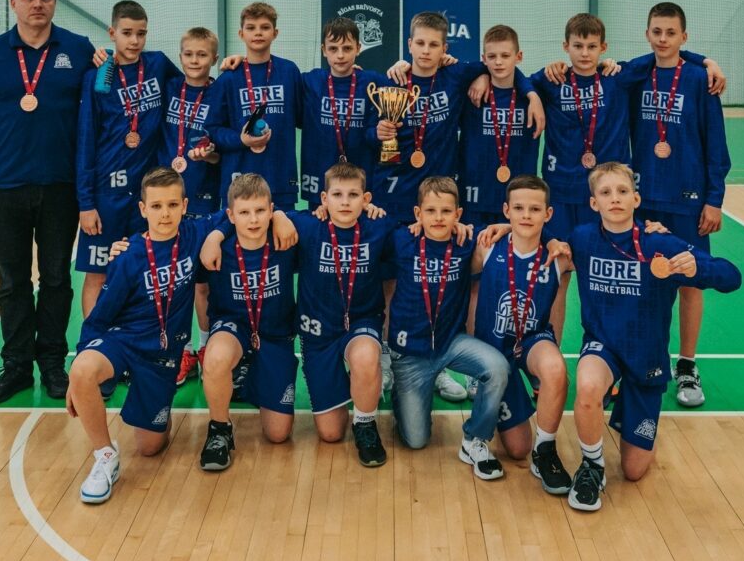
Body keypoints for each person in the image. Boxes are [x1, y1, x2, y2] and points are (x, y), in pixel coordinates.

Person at [378, 11, 544, 403]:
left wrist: (530, 92)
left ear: (445, 49)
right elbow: (375, 135)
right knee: (394, 281)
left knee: (441, 283)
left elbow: (501, 67)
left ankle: (437, 365)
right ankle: (389, 358)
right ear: (409, 44)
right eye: (420, 43)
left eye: (434, 44)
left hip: (441, 200)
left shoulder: (456, 75)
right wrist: (378, 131)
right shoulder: (392, 82)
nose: (426, 51)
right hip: (398, 194)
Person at [532, 12, 723, 345]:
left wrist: (706, 61)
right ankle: (549, 357)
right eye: (578, 46)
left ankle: (611, 353)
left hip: (607, 198)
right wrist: (532, 93)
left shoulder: (618, 77)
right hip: (562, 196)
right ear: (566, 47)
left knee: (608, 279)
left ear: (603, 47)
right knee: (558, 277)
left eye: (592, 46)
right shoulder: (551, 81)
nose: (585, 53)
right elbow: (512, 78)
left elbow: (665, 54)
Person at [565, 162, 741, 512]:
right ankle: (592, 465)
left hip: (646, 357)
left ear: (636, 199)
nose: (615, 198)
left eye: (622, 191)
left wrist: (699, 266)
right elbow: (534, 237)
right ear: (594, 203)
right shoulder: (582, 239)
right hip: (603, 348)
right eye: (605, 193)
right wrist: (501, 228)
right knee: (586, 387)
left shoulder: (659, 242)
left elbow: (732, 277)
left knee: (634, 470)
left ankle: (630, 414)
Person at [0, 0, 94, 404]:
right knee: (13, 281)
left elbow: (112, 92)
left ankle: (53, 363)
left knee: (56, 279)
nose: (38, 4)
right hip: (5, 186)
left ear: (55, 3)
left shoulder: (79, 50)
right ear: (14, 4)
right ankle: (17, 366)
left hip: (61, 186)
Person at [66, 166, 226, 504]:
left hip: (161, 356)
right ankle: (105, 456)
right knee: (82, 371)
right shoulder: (128, 256)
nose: (165, 214)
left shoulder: (194, 233)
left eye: (172, 205)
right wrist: (78, 369)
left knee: (151, 447)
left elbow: (230, 213)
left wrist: (215, 236)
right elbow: (100, 316)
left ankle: (145, 404)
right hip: (124, 341)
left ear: (184, 206)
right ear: (143, 209)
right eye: (156, 206)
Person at [630, 3, 731, 408]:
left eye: (671, 33)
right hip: (643, 200)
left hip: (688, 201)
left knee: (690, 280)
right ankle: (645, 359)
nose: (663, 39)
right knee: (645, 283)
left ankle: (687, 364)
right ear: (647, 34)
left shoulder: (700, 80)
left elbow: (716, 145)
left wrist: (714, 199)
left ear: (683, 37)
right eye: (656, 31)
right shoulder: (637, 75)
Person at [385, 176, 510, 480]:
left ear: (458, 214)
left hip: (450, 343)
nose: (438, 218)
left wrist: (506, 226)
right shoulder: (402, 239)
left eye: (446, 211)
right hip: (410, 354)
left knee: (497, 367)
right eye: (430, 211)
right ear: (418, 214)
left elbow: (516, 228)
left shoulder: (466, 242)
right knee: (416, 440)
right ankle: (404, 396)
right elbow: (365, 223)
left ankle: (474, 439)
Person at [75, 0, 180, 323]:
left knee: (146, 269)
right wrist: (86, 203)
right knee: (98, 273)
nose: (135, 40)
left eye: (141, 33)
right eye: (127, 33)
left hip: (147, 195)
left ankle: (139, 340)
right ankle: (93, 342)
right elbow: (86, 141)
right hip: (106, 194)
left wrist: (231, 64)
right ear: (112, 33)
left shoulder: (158, 64)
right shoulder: (98, 76)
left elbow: (195, 83)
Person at [288, 162, 396, 466]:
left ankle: (365, 423)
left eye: (353, 195)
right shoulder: (307, 225)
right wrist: (281, 217)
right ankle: (356, 386)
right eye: (337, 194)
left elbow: (421, 232)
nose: (345, 202)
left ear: (366, 199)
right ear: (324, 199)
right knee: (331, 433)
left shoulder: (380, 226)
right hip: (318, 333)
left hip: (361, 323)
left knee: (366, 356)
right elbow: (264, 215)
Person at [470, 175, 572, 496]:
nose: (526, 215)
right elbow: (468, 290)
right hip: (495, 353)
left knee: (555, 368)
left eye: (535, 209)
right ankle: (501, 405)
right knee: (516, 449)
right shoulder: (487, 245)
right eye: (518, 208)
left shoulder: (559, 257)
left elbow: (608, 244)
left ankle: (545, 452)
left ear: (548, 214)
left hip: (532, 341)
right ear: (506, 211)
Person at [197, 174, 299, 471]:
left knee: (278, 434)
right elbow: (176, 230)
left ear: (271, 210)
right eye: (244, 212)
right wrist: (215, 236)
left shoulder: (286, 236)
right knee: (216, 357)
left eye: (260, 211)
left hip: (275, 335)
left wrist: (282, 217)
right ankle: (219, 429)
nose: (253, 220)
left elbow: (328, 215)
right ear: (230, 215)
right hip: (233, 327)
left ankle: (252, 376)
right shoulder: (217, 243)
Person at [157, 27, 223, 386]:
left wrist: (211, 155)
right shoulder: (168, 87)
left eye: (202, 54)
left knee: (202, 283)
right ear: (180, 56)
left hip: (205, 196)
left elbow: (222, 150)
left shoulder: (220, 92)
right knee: (172, 280)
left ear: (214, 58)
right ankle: (180, 350)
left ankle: (205, 345)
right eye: (188, 54)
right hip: (168, 199)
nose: (195, 60)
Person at [210, 3, 302, 211]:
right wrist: (240, 139)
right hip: (239, 181)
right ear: (241, 34)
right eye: (251, 28)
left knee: (282, 232)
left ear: (275, 33)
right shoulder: (228, 79)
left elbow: (303, 116)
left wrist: (347, 72)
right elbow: (213, 129)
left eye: (265, 27)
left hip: (280, 178)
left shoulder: (289, 71)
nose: (258, 33)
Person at [299, 17, 386, 210]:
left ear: (358, 48)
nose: (340, 55)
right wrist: (242, 60)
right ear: (324, 50)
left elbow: (408, 84)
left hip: (362, 179)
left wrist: (403, 66)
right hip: (320, 177)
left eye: (347, 48)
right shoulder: (310, 81)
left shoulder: (373, 82)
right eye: (333, 49)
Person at [457, 25, 539, 228]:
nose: (499, 62)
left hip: (518, 198)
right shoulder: (470, 92)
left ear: (519, 57)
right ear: (483, 59)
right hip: (475, 196)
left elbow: (559, 72)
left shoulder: (536, 93)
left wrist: (532, 95)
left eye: (505, 55)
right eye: (492, 56)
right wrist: (482, 74)